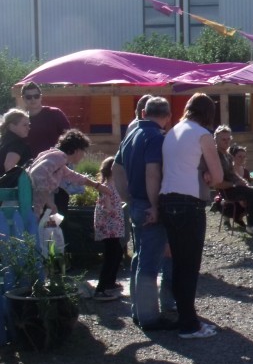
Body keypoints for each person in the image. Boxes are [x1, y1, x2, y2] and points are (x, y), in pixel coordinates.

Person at [160, 93, 223, 339]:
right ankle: (189, 324)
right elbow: (217, 176)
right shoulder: (202, 135)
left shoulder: (173, 132)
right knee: (189, 265)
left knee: (178, 263)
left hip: (167, 199)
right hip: (189, 202)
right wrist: (208, 175)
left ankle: (183, 316)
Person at [113, 96, 177, 331]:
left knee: (139, 260)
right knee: (149, 264)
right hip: (149, 206)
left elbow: (116, 169)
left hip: (135, 203)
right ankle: (150, 318)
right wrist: (154, 205)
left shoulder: (131, 134)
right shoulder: (155, 137)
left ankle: (138, 310)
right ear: (168, 116)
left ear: (143, 113)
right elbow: (153, 172)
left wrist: (126, 198)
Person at [207, 125, 253, 235]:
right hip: (226, 190)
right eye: (223, 139)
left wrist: (242, 181)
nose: (226, 141)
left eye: (228, 139)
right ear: (216, 139)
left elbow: (232, 173)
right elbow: (217, 182)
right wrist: (235, 183)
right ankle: (252, 226)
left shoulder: (228, 155)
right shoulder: (215, 156)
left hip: (234, 185)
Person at [27, 129, 110, 217]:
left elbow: (75, 176)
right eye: (84, 151)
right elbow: (36, 173)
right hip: (31, 207)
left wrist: (97, 186)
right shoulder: (59, 157)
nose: (84, 155)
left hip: (34, 207)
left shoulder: (59, 162)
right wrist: (49, 202)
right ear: (77, 150)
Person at [92, 157, 125, 302]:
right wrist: (113, 211)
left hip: (114, 227)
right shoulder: (106, 187)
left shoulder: (113, 185)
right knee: (112, 254)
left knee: (117, 252)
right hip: (109, 227)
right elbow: (106, 206)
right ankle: (101, 288)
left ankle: (110, 283)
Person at [20, 82, 70, 159]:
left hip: (58, 161)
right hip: (34, 164)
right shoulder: (22, 120)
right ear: (23, 98)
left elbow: (69, 136)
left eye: (36, 96)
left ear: (41, 97)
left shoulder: (54, 113)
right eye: (29, 97)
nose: (33, 99)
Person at [0, 109, 32, 184]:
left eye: (28, 125)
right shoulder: (17, 143)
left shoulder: (4, 142)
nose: (28, 128)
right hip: (11, 191)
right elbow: (9, 166)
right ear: (12, 126)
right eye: (24, 125)